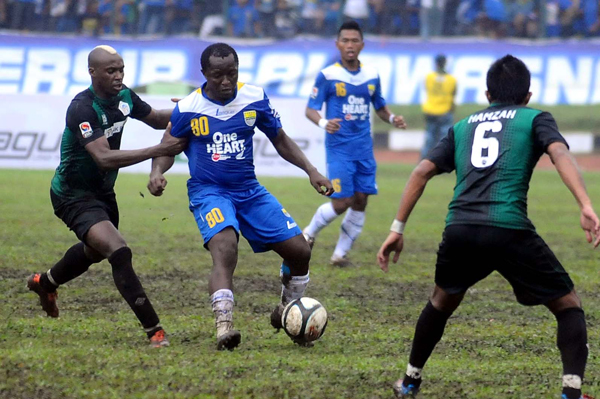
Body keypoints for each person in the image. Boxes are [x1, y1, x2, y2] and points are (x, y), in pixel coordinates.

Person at [377, 55, 599, 399]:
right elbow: (560, 154)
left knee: (440, 302)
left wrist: (397, 227)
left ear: (486, 93)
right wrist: (585, 205)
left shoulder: (463, 126)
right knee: (568, 304)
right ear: (527, 95)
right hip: (509, 228)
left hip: (461, 229)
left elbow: (421, 172)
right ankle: (571, 393)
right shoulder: (536, 117)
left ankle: (409, 382)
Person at [147, 43, 333, 351]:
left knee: (299, 251)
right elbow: (168, 146)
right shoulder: (189, 108)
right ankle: (224, 327)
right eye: (217, 75)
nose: (225, 81)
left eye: (231, 74)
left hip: (249, 190)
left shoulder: (255, 98)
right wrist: (156, 172)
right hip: (210, 192)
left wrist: (311, 171)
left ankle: (287, 309)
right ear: (204, 73)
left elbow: (280, 139)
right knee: (225, 246)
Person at [26, 45, 185, 348]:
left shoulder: (123, 95)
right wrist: (158, 150)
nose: (118, 75)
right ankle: (155, 331)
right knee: (118, 251)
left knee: (95, 251)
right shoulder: (82, 108)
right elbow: (104, 158)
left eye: (121, 69)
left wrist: (192, 107)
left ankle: (45, 282)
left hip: (102, 193)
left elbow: (154, 118)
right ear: (92, 72)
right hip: (71, 194)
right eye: (110, 70)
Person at [303, 20, 407, 267]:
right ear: (338, 44)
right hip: (339, 149)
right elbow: (310, 109)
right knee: (341, 201)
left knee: (361, 201)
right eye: (345, 40)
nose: (350, 45)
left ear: (362, 44)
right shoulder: (328, 75)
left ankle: (340, 255)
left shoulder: (371, 75)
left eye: (354, 40)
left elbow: (379, 106)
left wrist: (392, 118)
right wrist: (323, 123)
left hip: (364, 149)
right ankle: (308, 233)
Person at [420, 54, 456, 160]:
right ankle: (442, 160)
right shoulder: (451, 79)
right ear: (445, 63)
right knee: (444, 139)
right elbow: (453, 94)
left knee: (429, 138)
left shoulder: (429, 77)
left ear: (436, 63)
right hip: (445, 111)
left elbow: (426, 89)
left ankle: (424, 160)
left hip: (430, 110)